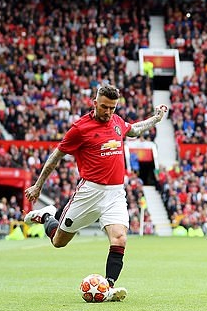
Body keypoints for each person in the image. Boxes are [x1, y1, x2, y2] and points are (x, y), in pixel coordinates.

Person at [23, 84, 169, 303]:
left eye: (112, 107)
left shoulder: (117, 122)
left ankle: (108, 287)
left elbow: (135, 130)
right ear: (94, 103)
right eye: (104, 107)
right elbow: (56, 156)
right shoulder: (80, 128)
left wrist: (156, 119)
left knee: (119, 238)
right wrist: (38, 185)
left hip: (115, 193)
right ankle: (46, 216)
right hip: (89, 192)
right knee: (58, 242)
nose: (108, 112)